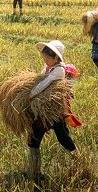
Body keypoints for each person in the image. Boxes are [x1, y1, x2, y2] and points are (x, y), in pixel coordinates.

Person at [26, 40, 78, 181]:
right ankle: (34, 170)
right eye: (44, 58)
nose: (46, 61)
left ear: (56, 57)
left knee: (62, 136)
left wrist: (30, 95)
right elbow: (41, 76)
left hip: (55, 110)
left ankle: (78, 159)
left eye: (48, 58)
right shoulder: (49, 66)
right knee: (33, 138)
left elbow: (44, 84)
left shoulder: (59, 70)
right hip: (44, 109)